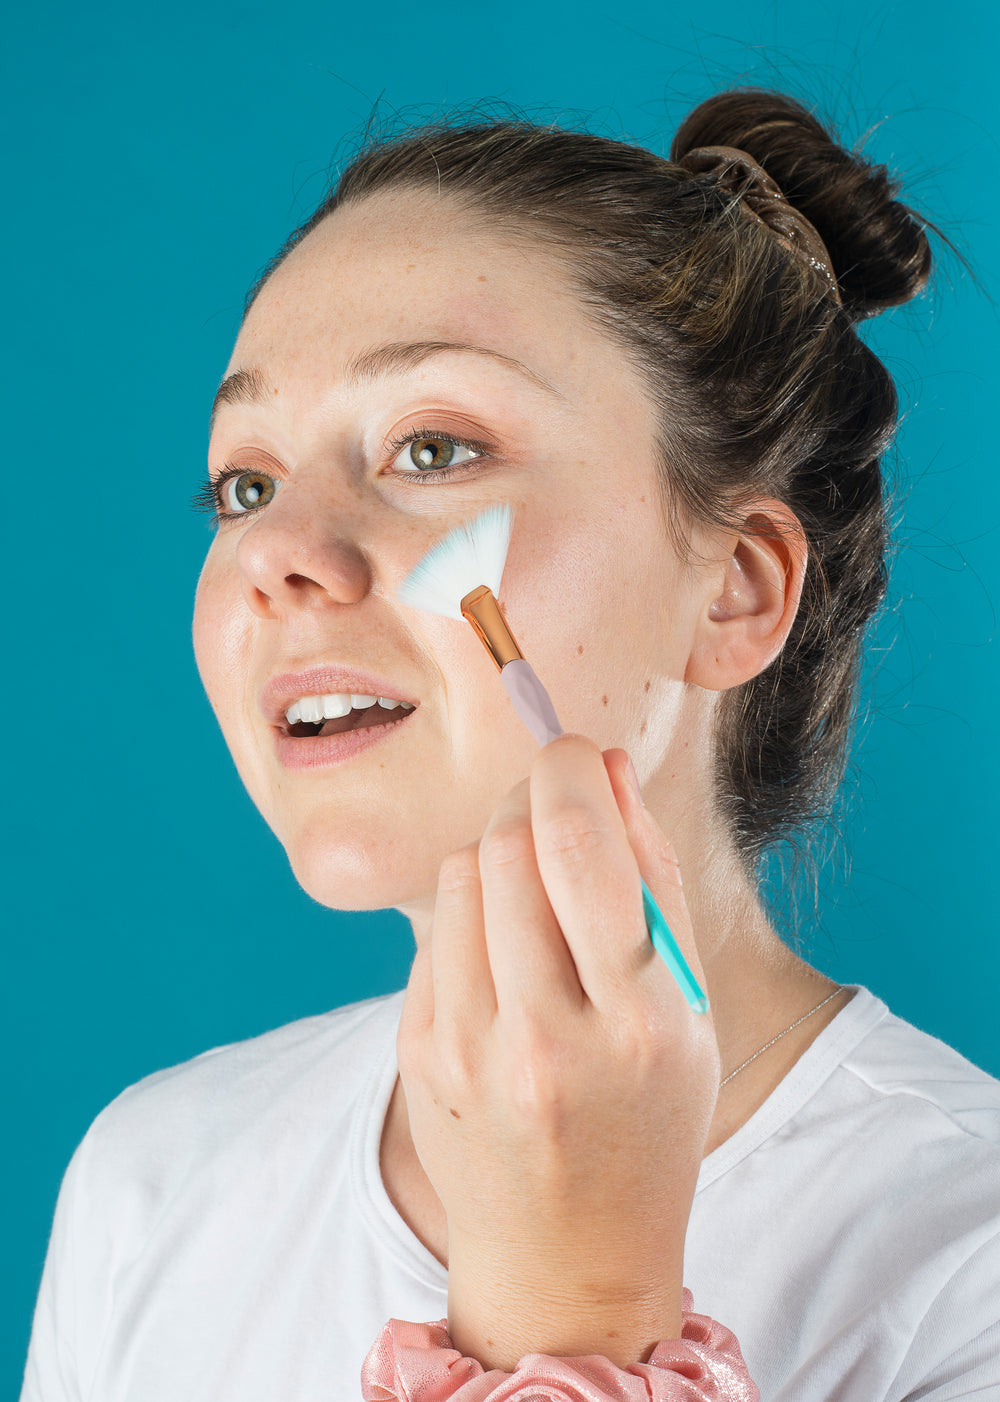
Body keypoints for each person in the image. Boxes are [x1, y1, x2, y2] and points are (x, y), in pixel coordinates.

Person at [20, 86, 1000, 1401]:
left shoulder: (966, 1264)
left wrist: (580, 1305)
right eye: (245, 483)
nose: (274, 555)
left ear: (738, 589)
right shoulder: (152, 1177)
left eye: (431, 445)